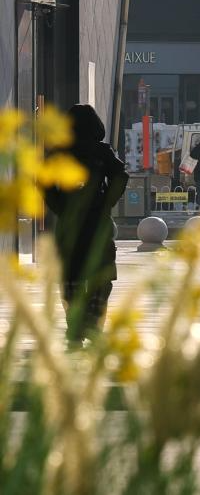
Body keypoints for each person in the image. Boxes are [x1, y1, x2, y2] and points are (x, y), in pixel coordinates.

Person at [44, 104, 129, 341]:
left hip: (69, 223)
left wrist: (61, 207)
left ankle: (75, 325)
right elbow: (121, 175)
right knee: (101, 276)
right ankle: (92, 321)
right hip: (97, 222)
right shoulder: (102, 151)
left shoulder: (58, 152)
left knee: (70, 277)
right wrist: (106, 201)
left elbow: (44, 183)